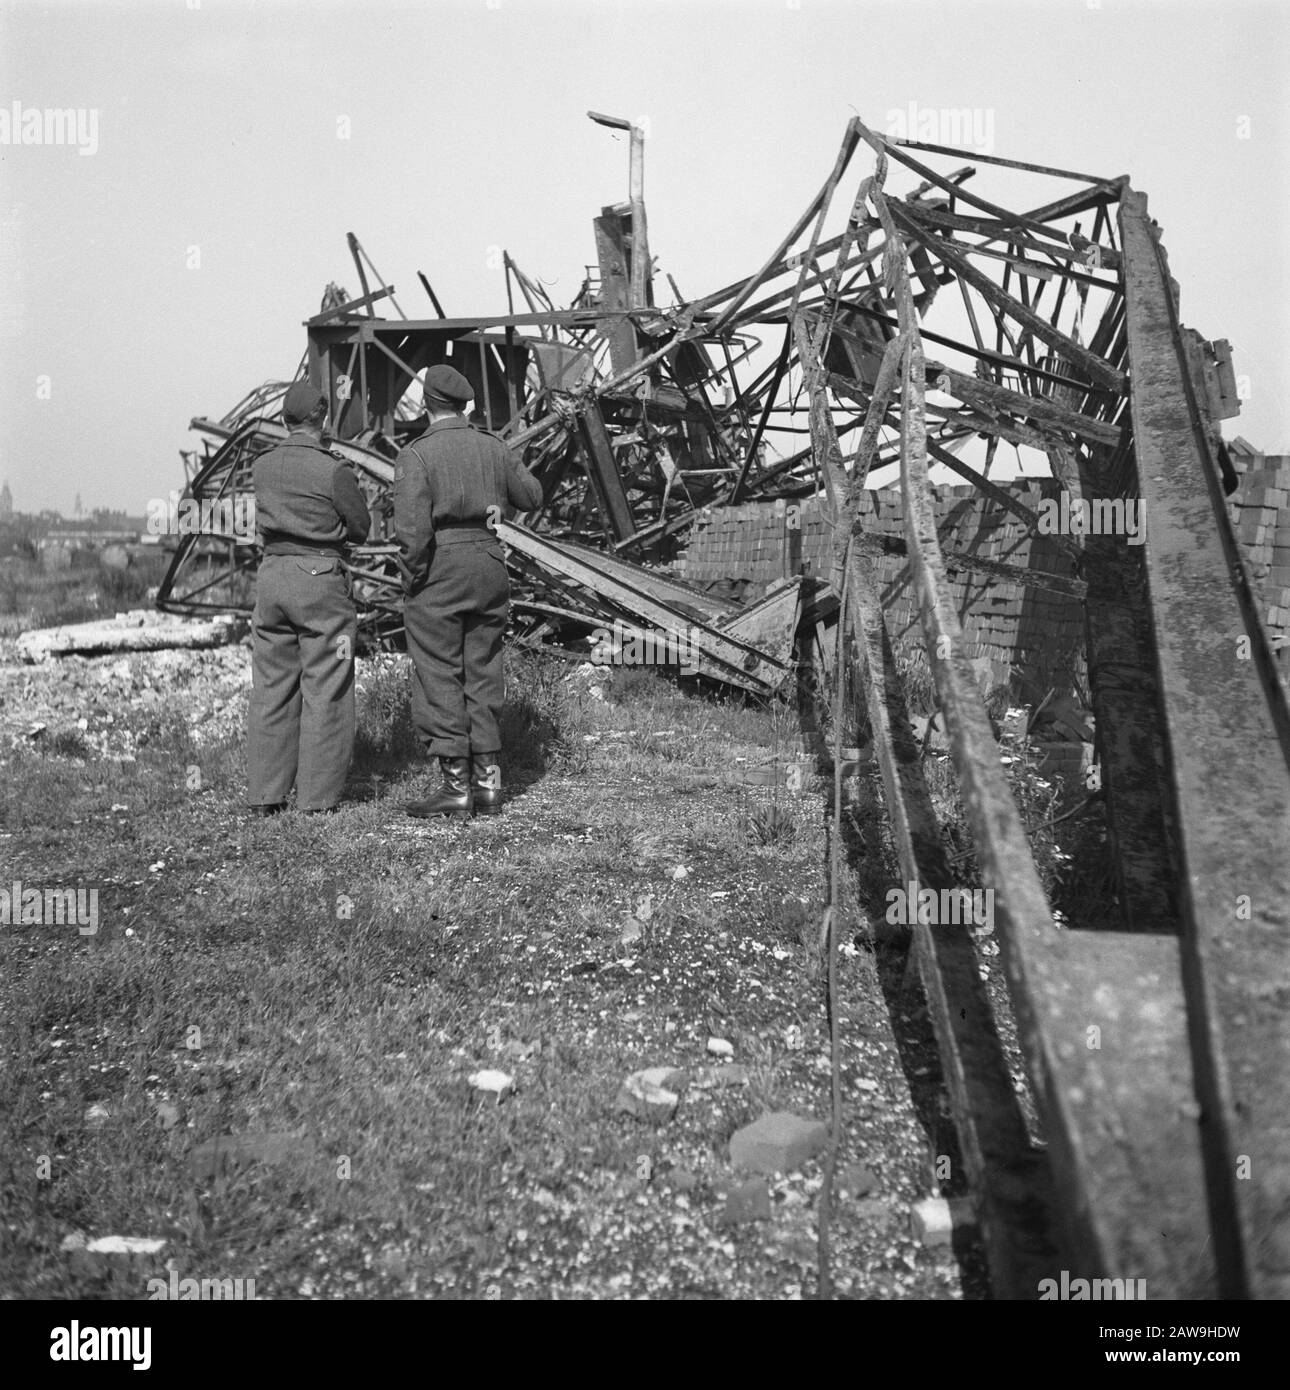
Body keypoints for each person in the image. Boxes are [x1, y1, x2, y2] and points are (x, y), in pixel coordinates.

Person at [394, 363, 542, 818]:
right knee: (483, 671)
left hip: (440, 567)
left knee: (439, 674)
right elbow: (532, 496)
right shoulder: (493, 447)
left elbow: (414, 534)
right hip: (489, 565)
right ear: (465, 404)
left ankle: (456, 790)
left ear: (425, 404)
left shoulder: (415, 456)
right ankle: (489, 788)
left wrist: (413, 580)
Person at [246, 381, 371, 815]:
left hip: (273, 578)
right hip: (319, 582)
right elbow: (361, 527)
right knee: (328, 681)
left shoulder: (263, 466)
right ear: (322, 419)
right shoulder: (333, 470)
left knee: (272, 685)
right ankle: (317, 800)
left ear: (284, 419)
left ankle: (267, 795)